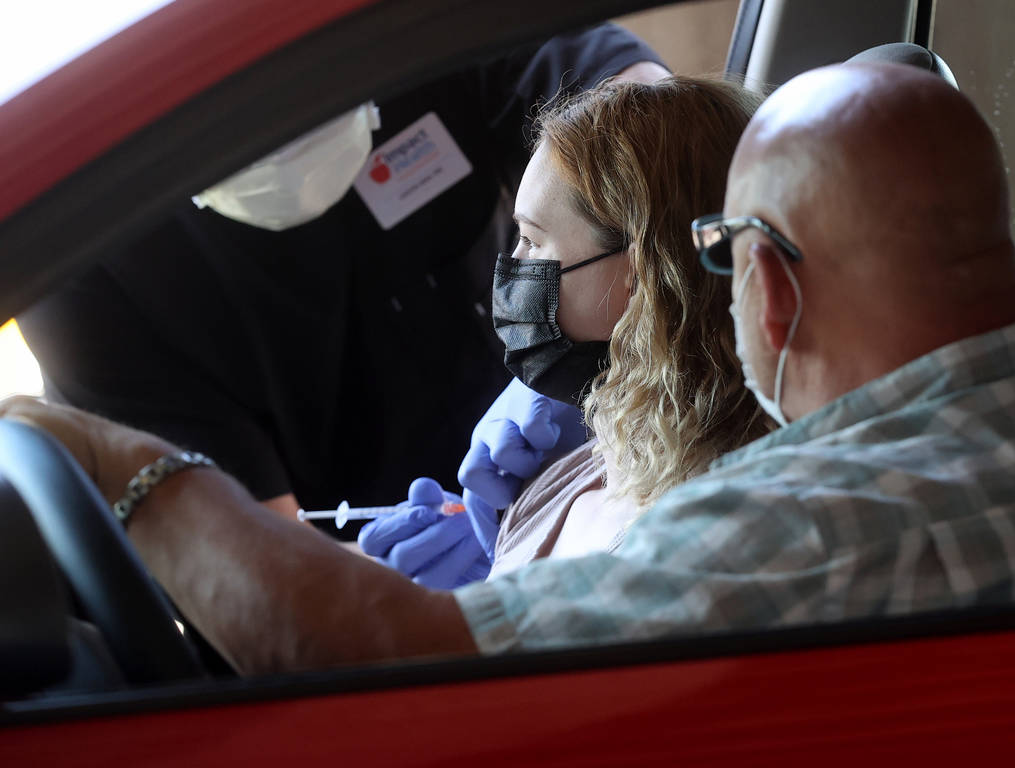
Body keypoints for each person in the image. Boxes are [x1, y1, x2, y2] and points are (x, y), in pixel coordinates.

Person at [0, 60, 1015, 675]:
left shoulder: (809, 529)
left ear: (759, 285)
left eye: (536, 246)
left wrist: (111, 464)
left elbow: (378, 660)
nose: (511, 278)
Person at [17, 25, 666, 525]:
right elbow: (260, 556)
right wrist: (465, 576)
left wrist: (596, 389)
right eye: (246, 123)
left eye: (297, 101)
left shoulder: (399, 31)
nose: (282, 136)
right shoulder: (77, 246)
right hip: (347, 557)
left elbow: (643, 111)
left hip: (558, 448)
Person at [356, 77, 772, 587]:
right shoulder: (573, 473)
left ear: (640, 273)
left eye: (532, 239)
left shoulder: (710, 535)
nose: (512, 265)